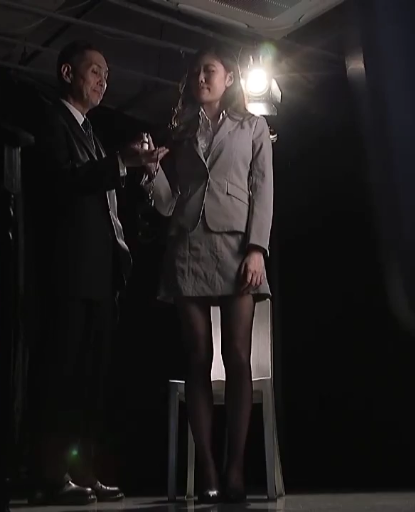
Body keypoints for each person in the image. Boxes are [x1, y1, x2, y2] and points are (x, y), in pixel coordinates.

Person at [20, 40, 168, 506]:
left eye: (107, 75)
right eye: (95, 71)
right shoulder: (51, 120)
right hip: (67, 274)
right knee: (60, 377)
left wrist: (139, 172)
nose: (104, 81)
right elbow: (62, 183)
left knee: (90, 382)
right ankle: (49, 477)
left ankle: (82, 472)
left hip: (101, 276)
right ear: (67, 73)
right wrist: (121, 162)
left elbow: (104, 200)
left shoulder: (92, 133)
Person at [142, 47, 274, 503]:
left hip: (237, 248)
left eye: (209, 70)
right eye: (196, 71)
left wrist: (257, 249)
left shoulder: (253, 126)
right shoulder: (180, 130)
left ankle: (235, 471)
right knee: (197, 359)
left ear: (229, 77)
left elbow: (263, 190)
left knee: (238, 358)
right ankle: (210, 472)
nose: (201, 77)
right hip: (188, 248)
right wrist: (151, 172)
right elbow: (167, 203)